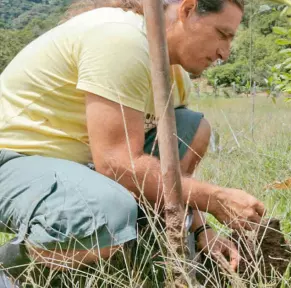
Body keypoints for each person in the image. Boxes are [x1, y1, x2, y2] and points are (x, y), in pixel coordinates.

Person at [0, 0, 266, 284]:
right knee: (106, 210)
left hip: (74, 169)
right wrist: (215, 197)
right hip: (14, 160)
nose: (224, 53)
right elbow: (116, 167)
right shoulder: (121, 39)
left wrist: (201, 230)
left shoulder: (174, 74)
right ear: (187, 10)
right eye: (222, 35)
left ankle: (134, 248)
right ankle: (10, 268)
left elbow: (172, 169)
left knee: (192, 127)